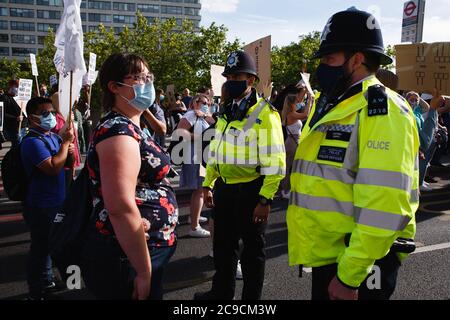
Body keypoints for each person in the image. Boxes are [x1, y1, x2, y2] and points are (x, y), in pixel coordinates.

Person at [287, 8, 420, 300]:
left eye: (329, 59)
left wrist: (350, 275)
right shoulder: (334, 105)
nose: (323, 66)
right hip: (333, 257)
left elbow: (384, 205)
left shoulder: (383, 110)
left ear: (357, 59)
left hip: (359, 263)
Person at [81, 53, 178, 300]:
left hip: (139, 252)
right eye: (138, 78)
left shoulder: (132, 126)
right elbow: (121, 207)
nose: (147, 83)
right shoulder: (118, 132)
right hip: (126, 257)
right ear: (114, 87)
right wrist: (144, 272)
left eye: (149, 76)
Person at [195, 50, 286, 300]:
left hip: (251, 190)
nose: (233, 80)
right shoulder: (226, 110)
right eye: (230, 76)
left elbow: (276, 161)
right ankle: (221, 294)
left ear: (252, 81)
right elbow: (216, 150)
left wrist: (265, 199)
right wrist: (208, 183)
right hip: (224, 188)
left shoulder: (266, 114)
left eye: (239, 76)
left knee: (252, 252)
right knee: (223, 248)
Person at [21, 96, 75, 300]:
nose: (50, 116)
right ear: (32, 117)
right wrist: (65, 144)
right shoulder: (32, 142)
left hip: (58, 201)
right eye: (44, 113)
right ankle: (36, 291)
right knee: (41, 248)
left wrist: (68, 149)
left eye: (51, 112)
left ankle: (48, 280)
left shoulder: (52, 137)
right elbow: (52, 168)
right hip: (40, 205)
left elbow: (65, 164)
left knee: (55, 244)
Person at [178, 94, 215, 238]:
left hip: (200, 154)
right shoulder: (190, 115)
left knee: (199, 190)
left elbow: (214, 123)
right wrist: (200, 138)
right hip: (194, 155)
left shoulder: (201, 115)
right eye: (203, 102)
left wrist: (205, 114)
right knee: (200, 190)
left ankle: (194, 216)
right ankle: (194, 227)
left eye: (208, 103)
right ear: (194, 102)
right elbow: (180, 133)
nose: (206, 104)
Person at [280, 85, 312, 198]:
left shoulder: (291, 113)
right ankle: (285, 190)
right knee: (289, 167)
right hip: (292, 142)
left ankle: (288, 189)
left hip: (293, 141)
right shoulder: (291, 114)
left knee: (291, 166)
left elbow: (302, 107)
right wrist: (310, 100)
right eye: (296, 102)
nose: (298, 103)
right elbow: (305, 115)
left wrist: (306, 91)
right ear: (291, 104)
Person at [406, 91, 439, 192]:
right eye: (412, 100)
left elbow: (427, 107)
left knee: (419, 165)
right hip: (411, 143)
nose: (414, 102)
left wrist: (418, 97)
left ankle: (418, 183)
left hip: (419, 141)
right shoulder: (406, 110)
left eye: (416, 100)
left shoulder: (417, 110)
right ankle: (416, 185)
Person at [1, 79, 24, 149]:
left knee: (21, 145)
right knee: (16, 146)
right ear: (10, 86)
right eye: (16, 86)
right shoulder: (4, 98)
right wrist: (15, 118)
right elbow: (2, 114)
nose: (18, 88)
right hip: (12, 127)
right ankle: (13, 158)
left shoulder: (21, 98)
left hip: (23, 126)